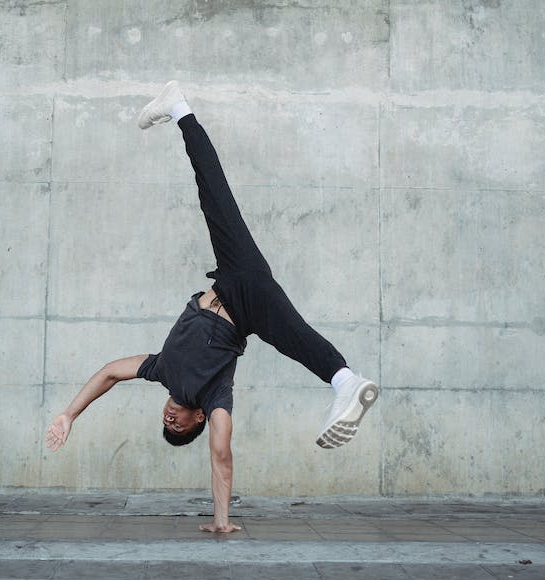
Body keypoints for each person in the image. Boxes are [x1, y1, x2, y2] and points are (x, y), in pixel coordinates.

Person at [46, 81, 378, 534]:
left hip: (231, 276)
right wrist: (221, 521)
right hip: (248, 304)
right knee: (297, 337)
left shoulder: (160, 369)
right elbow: (221, 456)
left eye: (167, 425)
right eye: (179, 429)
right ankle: (344, 381)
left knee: (212, 190)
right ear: (197, 419)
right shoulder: (213, 399)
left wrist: (70, 413)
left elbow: (107, 373)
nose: (170, 422)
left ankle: (178, 106)